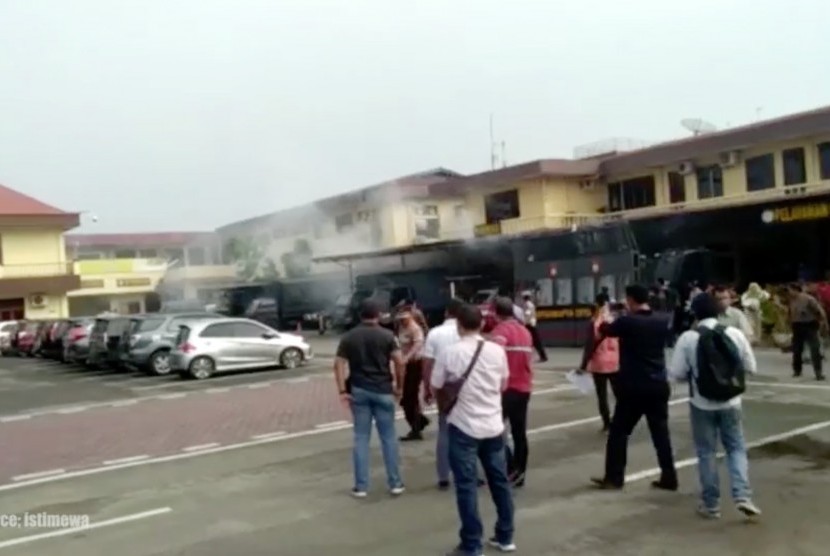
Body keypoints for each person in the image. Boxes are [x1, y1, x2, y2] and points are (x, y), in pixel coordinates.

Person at [431, 303, 515, 556]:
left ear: (458, 326)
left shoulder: (450, 353)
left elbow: (436, 384)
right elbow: (504, 384)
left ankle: (472, 543)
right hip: (493, 424)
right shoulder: (496, 351)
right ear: (482, 324)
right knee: (499, 482)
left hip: (463, 426)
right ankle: (505, 536)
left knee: (466, 486)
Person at [668, 293, 761, 519]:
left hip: (701, 403)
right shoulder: (734, 333)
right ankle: (742, 496)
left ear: (695, 313)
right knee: (736, 448)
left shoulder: (688, 338)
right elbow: (751, 367)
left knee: (706, 452)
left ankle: (711, 505)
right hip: (732, 401)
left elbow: (677, 373)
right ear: (719, 311)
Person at [590, 284, 678, 491]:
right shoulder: (661, 320)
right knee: (661, 433)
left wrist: (605, 313)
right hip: (658, 382)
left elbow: (604, 329)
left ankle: (614, 477)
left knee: (619, 432)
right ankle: (669, 476)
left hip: (633, 386)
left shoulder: (627, 321)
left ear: (630, 299)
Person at [333, 299, 406, 497]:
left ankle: (361, 486)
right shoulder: (388, 336)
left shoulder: (348, 337)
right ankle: (395, 483)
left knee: (361, 438)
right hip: (383, 390)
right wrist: (399, 388)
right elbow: (400, 363)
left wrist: (342, 390)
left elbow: (338, 364)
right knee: (389, 437)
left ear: (360, 315)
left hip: (359, 390)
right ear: (379, 315)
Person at [490, 296, 534, 487]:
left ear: (495, 312)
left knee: (495, 430)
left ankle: (509, 468)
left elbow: (495, 358)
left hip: (506, 388)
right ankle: (520, 472)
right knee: (519, 432)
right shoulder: (524, 331)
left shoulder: (500, 331)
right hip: (524, 387)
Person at [578, 296, 620, 433]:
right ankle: (620, 420)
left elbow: (590, 345)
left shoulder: (595, 322)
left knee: (602, 395)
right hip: (615, 362)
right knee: (618, 393)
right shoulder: (615, 319)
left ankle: (607, 423)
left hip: (599, 363)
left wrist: (583, 365)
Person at [396, 307, 429, 441]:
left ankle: (417, 428)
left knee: (410, 397)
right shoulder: (401, 327)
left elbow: (418, 345)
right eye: (401, 319)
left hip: (416, 363)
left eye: (405, 319)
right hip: (407, 365)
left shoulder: (415, 328)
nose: (403, 321)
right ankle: (420, 422)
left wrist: (407, 357)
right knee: (407, 398)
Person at [787, 283, 826, 380]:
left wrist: (822, 322)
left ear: (796, 290)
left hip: (809, 325)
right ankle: (797, 370)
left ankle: (818, 372)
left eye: (790, 290)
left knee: (814, 349)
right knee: (797, 350)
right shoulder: (792, 300)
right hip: (797, 326)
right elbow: (790, 313)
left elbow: (818, 311)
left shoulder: (808, 299)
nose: (789, 292)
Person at [522, 292, 548, 362]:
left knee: (534, 341)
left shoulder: (527, 305)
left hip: (529, 324)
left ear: (524, 297)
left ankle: (542, 356)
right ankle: (542, 356)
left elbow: (527, 314)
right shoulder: (531, 304)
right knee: (535, 341)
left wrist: (523, 322)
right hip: (532, 323)